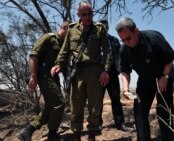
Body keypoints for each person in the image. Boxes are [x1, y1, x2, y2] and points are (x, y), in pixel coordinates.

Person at [50, 2, 111, 141]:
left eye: (90, 13)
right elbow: (65, 50)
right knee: (76, 108)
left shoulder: (99, 29)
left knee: (95, 109)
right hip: (77, 72)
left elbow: (107, 51)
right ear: (78, 15)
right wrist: (58, 64)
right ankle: (77, 137)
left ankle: (91, 137)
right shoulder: (71, 30)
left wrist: (106, 70)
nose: (88, 17)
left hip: (95, 71)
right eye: (85, 14)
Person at [115, 17, 174, 141]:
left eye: (128, 38)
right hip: (145, 80)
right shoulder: (124, 48)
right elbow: (125, 71)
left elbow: (170, 58)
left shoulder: (154, 38)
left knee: (163, 110)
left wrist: (164, 76)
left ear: (136, 30)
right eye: (123, 40)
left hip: (164, 76)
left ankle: (167, 138)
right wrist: (125, 89)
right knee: (139, 111)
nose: (126, 42)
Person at [16, 20, 70, 141]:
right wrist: (33, 76)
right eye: (70, 32)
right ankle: (52, 133)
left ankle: (28, 131)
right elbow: (33, 56)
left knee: (51, 106)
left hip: (53, 77)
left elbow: (64, 66)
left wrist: (68, 82)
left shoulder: (64, 45)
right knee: (59, 103)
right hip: (43, 75)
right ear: (64, 28)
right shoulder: (49, 38)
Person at [98, 19, 130, 132]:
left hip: (112, 73)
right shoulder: (94, 41)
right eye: (102, 26)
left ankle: (120, 123)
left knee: (116, 99)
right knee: (98, 100)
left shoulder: (114, 40)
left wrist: (120, 69)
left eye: (106, 26)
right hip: (98, 73)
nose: (104, 28)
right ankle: (97, 124)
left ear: (108, 27)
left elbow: (120, 55)